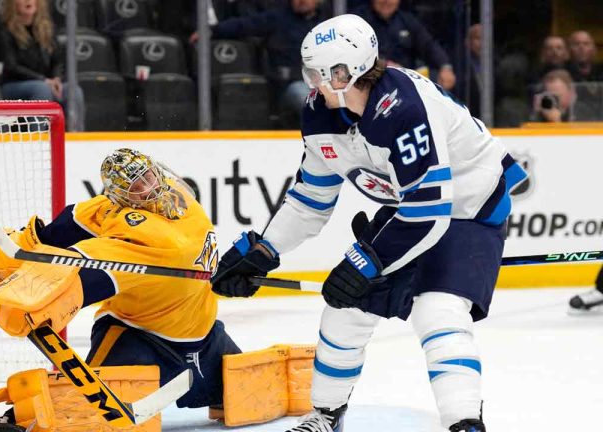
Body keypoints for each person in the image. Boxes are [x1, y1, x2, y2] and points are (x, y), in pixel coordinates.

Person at [211, 14, 527, 432]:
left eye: (329, 74)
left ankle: (464, 420)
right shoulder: (321, 116)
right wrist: (264, 250)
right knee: (344, 308)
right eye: (312, 74)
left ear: (354, 69)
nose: (317, 85)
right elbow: (310, 199)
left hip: (470, 206)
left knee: (439, 311)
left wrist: (369, 260)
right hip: (410, 208)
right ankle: (325, 414)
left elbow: (428, 210)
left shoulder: (404, 106)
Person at [0, 149, 312, 431]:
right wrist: (28, 282)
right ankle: (24, 411)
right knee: (82, 412)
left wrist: (228, 272)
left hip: (203, 337)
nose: (148, 186)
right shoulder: (131, 234)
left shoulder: (181, 197)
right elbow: (78, 270)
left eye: (148, 175)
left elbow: (84, 228)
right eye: (136, 185)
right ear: (119, 197)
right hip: (138, 339)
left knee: (247, 400)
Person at [190, 0, 330, 123]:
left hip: (324, 84)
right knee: (304, 96)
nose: (300, 0)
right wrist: (211, 30)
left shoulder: (327, 24)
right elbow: (244, 25)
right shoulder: (279, 18)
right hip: (290, 85)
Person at [0, 0, 84, 129]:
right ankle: (38, 141)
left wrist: (56, 79)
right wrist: (43, 80)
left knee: (74, 91)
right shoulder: (3, 31)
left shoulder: (47, 28)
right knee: (41, 89)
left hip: (46, 83)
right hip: (13, 85)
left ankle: (75, 139)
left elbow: (57, 60)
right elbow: (11, 66)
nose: (28, 1)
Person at [353, 0, 456, 91]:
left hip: (404, 84)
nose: (387, 1)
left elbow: (429, 45)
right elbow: (353, 52)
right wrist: (384, 64)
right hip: (369, 83)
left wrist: (445, 67)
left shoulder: (407, 20)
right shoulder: (358, 20)